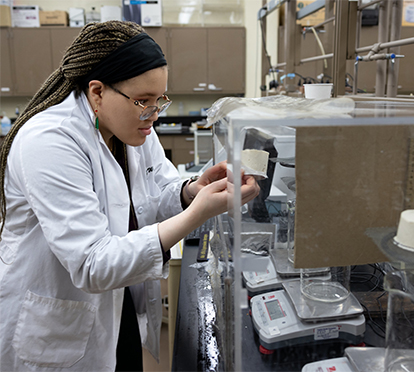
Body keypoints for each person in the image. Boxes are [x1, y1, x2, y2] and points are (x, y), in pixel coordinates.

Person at [0, 21, 259, 371]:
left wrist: (189, 192)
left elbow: (155, 194)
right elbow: (93, 263)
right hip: (58, 315)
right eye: (143, 101)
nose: (152, 114)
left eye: (159, 100)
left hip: (118, 300)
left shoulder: (134, 126)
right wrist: (197, 213)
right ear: (97, 92)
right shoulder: (49, 140)